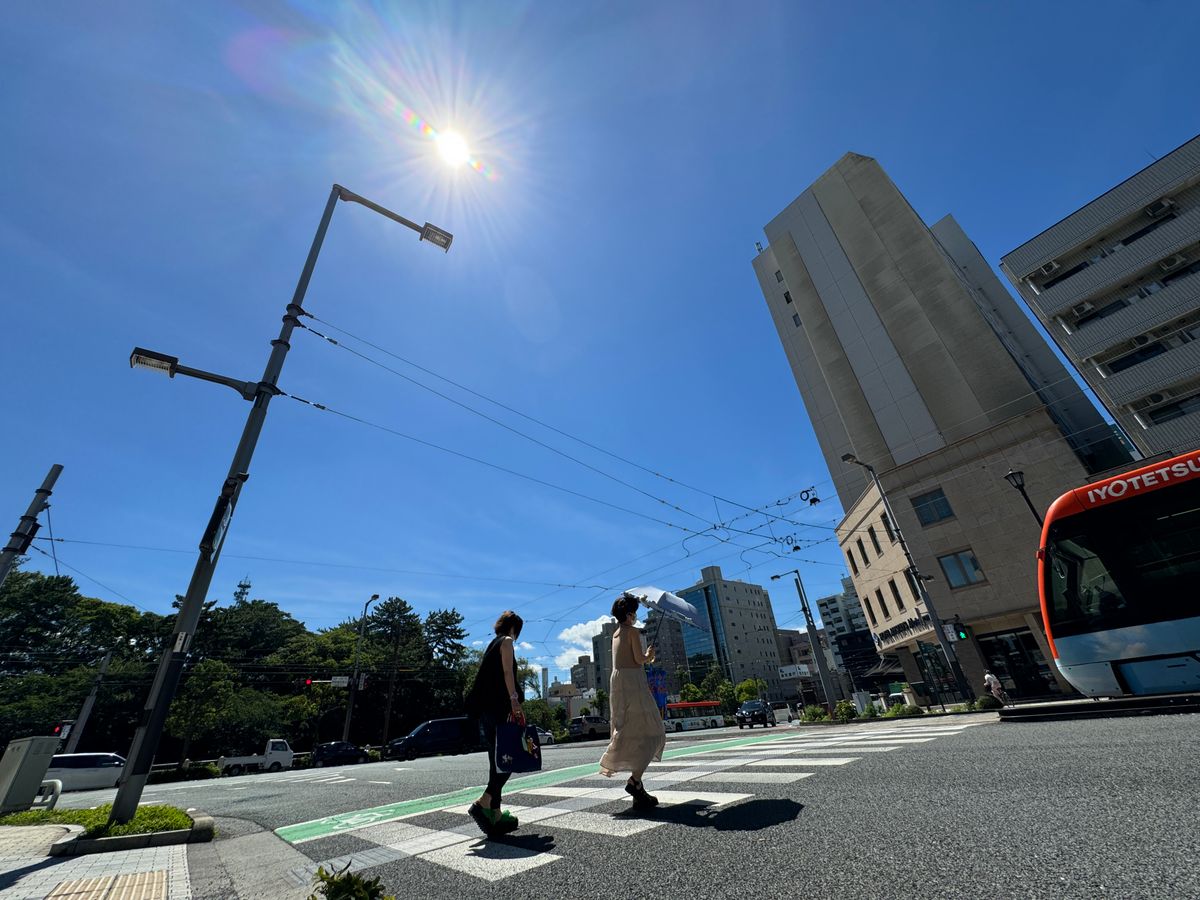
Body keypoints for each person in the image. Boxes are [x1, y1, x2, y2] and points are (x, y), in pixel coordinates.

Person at [598, 593, 667, 808]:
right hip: (633, 681)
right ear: (629, 614)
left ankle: (637, 784)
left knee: (628, 729)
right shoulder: (632, 632)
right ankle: (635, 780)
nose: (636, 616)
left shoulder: (616, 633)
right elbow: (639, 659)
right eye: (635, 612)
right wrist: (650, 654)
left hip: (618, 683)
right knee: (653, 730)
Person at [464, 610, 525, 836]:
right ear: (514, 628)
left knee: (496, 761)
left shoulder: (491, 644)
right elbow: (508, 672)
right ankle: (484, 802)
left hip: (486, 711)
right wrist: (515, 702)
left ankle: (495, 814)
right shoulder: (507, 641)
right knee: (509, 757)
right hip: (501, 708)